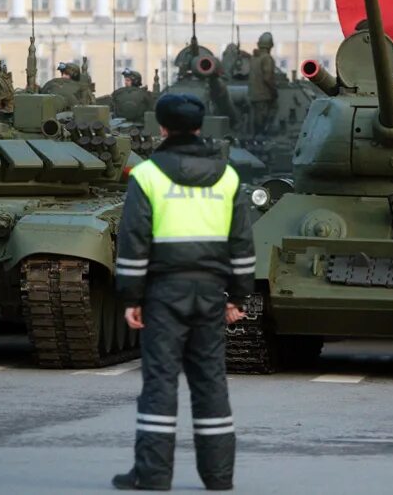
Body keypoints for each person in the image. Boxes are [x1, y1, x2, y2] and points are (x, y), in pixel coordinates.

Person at [112, 93, 255, 492]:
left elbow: (134, 242)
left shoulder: (147, 175)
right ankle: (218, 476)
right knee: (210, 382)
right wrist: (238, 297)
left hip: (163, 293)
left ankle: (154, 475)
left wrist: (131, 298)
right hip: (211, 294)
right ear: (199, 126)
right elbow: (242, 244)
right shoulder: (228, 177)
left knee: (159, 382)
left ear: (161, 128)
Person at [247, 32, 277, 136]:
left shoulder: (254, 58)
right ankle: (260, 140)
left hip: (253, 94)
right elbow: (267, 78)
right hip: (264, 95)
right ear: (270, 45)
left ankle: (255, 138)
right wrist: (273, 91)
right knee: (263, 120)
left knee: (254, 119)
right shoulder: (267, 58)